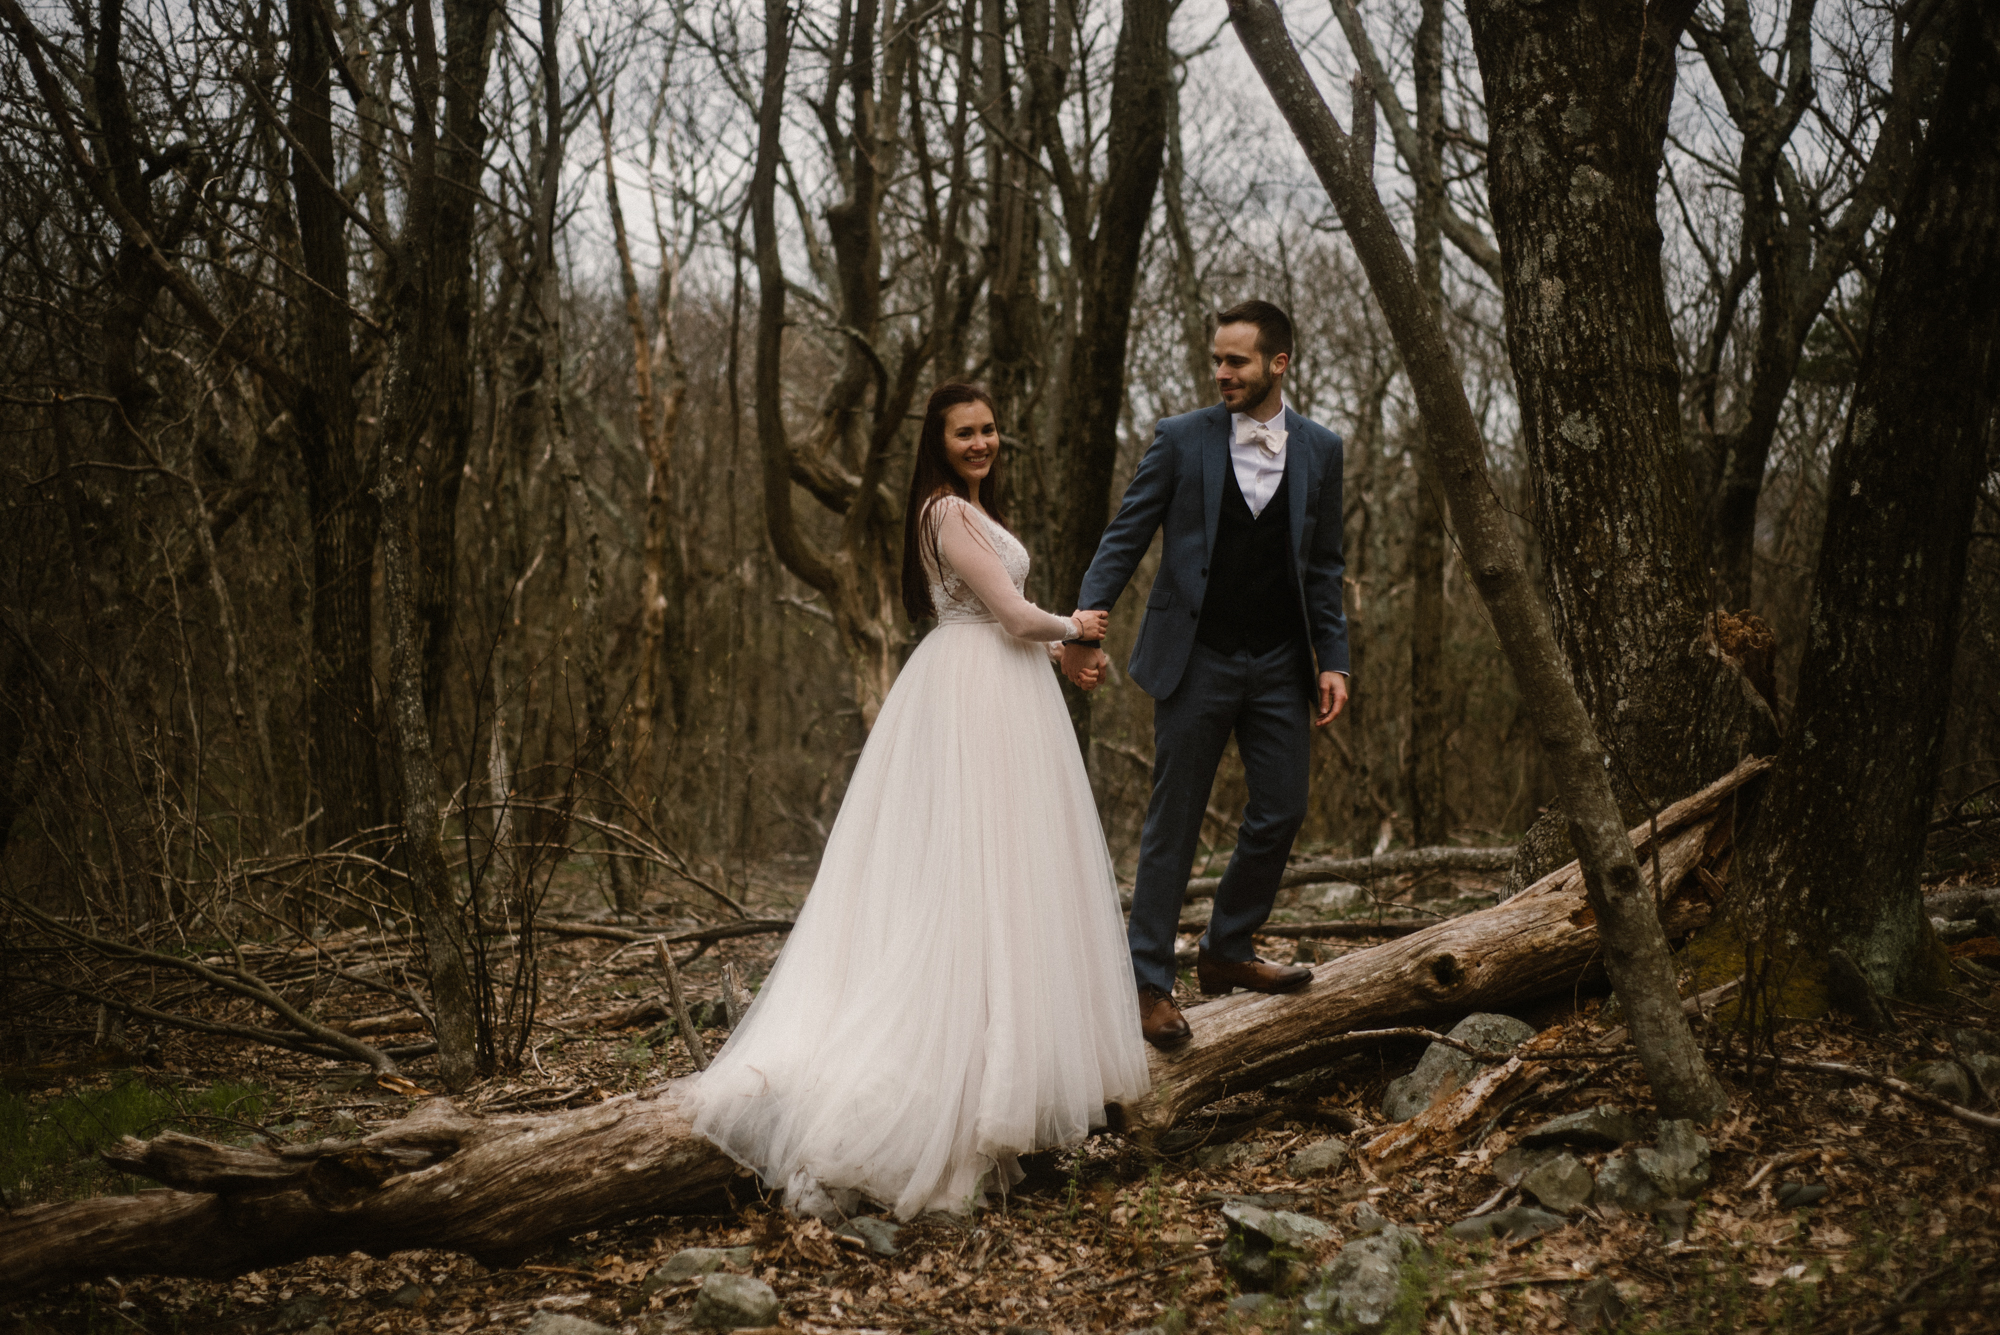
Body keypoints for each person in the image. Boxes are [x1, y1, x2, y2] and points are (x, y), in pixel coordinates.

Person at [689, 382, 1150, 1221]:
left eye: (989, 428)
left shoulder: (973, 508)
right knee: (968, 878)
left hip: (1002, 689)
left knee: (1008, 878)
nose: (982, 442)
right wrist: (1076, 628)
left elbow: (1003, 625)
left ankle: (1007, 1071)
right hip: (971, 700)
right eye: (965, 433)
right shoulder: (943, 512)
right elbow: (1008, 613)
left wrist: (1067, 656)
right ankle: (953, 1091)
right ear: (939, 445)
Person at [1062, 300, 1350, 1049]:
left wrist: (1335, 659)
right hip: (1197, 659)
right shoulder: (1182, 440)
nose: (1220, 372)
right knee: (1175, 821)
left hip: (1283, 664)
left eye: (1237, 361)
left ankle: (1227, 948)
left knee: (1282, 807)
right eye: (1217, 360)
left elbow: (1324, 567)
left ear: (1278, 364)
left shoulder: (1321, 449)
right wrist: (1085, 627)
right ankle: (1149, 981)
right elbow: (1125, 534)